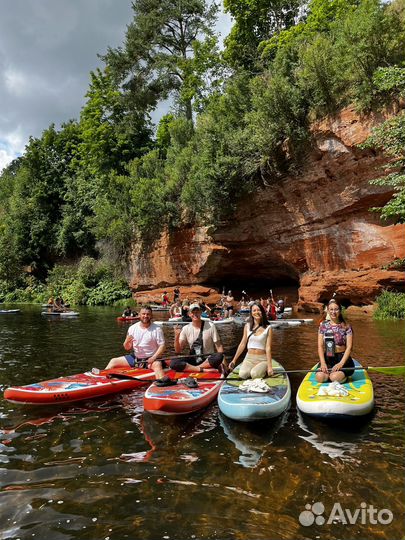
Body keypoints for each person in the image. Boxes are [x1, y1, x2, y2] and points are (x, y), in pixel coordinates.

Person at [105, 306, 167, 380]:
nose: (145, 316)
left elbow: (162, 346)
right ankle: (101, 378)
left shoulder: (157, 329)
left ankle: (162, 383)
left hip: (151, 359)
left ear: (151, 316)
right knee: (113, 361)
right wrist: (126, 342)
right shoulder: (132, 328)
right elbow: (127, 348)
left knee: (157, 365)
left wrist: (154, 357)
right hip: (136, 358)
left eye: (148, 314)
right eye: (143, 314)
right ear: (139, 315)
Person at [171, 303, 226, 374]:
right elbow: (178, 351)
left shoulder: (211, 326)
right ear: (189, 314)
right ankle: (201, 369)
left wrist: (224, 364)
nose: (195, 314)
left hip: (208, 360)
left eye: (197, 312)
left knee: (219, 356)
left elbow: (219, 346)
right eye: (192, 312)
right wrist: (176, 336)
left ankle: (196, 368)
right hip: (194, 359)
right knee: (174, 362)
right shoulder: (185, 328)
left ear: (201, 312)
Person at [228, 302, 273, 379]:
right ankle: (255, 370)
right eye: (254, 310)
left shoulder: (268, 328)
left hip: (262, 359)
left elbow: (268, 348)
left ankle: (263, 369)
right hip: (249, 358)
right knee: (242, 374)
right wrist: (234, 360)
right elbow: (242, 344)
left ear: (262, 312)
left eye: (259, 310)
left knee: (255, 374)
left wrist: (269, 367)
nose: (256, 312)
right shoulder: (247, 326)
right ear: (251, 313)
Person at [316, 298, 355, 383]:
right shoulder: (323, 326)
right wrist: (323, 363)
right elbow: (320, 346)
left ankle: (343, 376)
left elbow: (349, 347)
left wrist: (341, 364)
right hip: (328, 358)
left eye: (336, 309)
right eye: (331, 309)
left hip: (343, 359)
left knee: (334, 378)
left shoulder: (346, 326)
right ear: (328, 311)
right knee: (320, 377)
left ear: (340, 311)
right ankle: (329, 375)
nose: (333, 312)